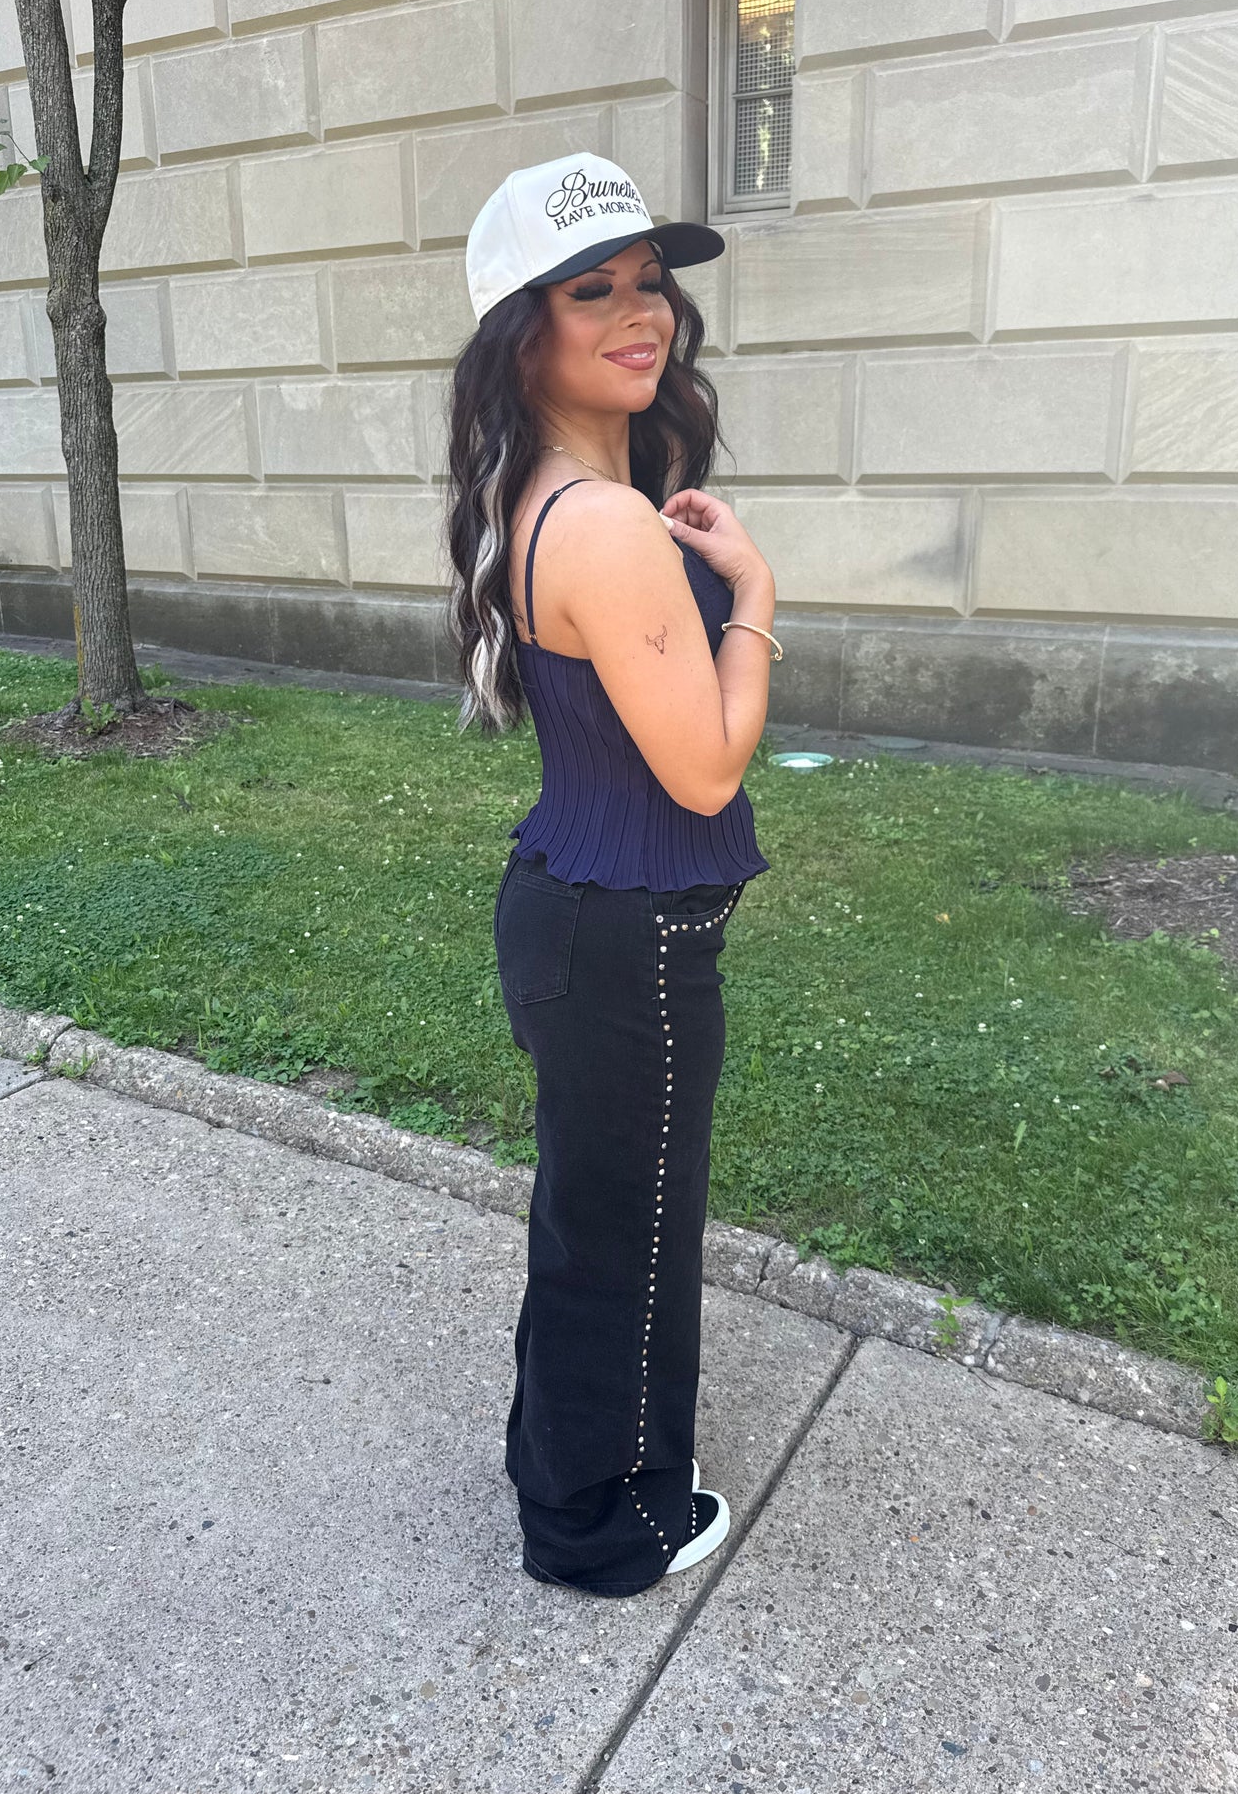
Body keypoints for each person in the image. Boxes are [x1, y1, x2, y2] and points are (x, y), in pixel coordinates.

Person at [445, 153, 781, 1598]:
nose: (641, 313)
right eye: (594, 291)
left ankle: (567, 1465)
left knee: (596, 1221)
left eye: (650, 283)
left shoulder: (553, 495)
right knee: (624, 1237)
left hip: (586, 919)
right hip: (625, 941)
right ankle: (594, 1526)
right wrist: (755, 600)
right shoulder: (600, 522)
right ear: (522, 333)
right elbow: (704, 769)